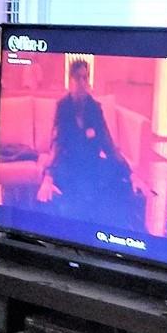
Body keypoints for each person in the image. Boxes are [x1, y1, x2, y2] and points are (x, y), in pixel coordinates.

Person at [36, 60, 139, 227]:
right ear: (70, 81)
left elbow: (108, 144)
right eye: (78, 78)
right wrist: (48, 176)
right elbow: (57, 143)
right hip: (69, 165)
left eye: (85, 78)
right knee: (72, 197)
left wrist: (130, 173)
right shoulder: (63, 107)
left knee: (121, 181)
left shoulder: (94, 107)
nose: (82, 83)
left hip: (91, 163)